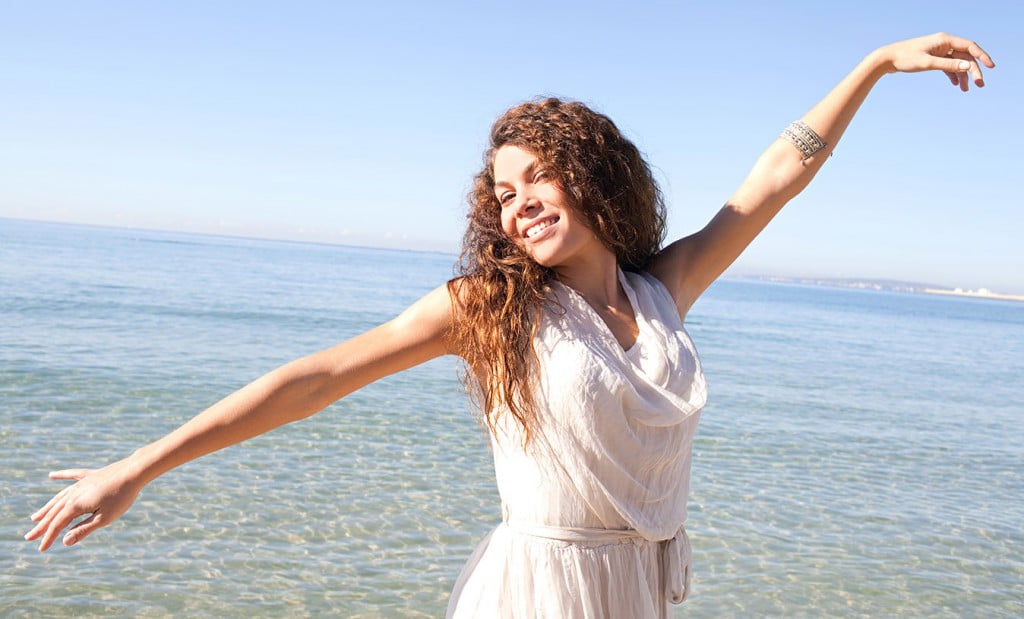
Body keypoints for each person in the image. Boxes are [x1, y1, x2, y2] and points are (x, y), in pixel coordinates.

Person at [26, 33, 993, 618]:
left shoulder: (663, 292)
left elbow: (773, 182)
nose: (520, 201)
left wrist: (872, 65)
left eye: (540, 176)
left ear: (594, 176)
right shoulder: (491, 308)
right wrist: (139, 465)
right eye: (503, 189)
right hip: (536, 590)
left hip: (635, 590)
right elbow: (315, 378)